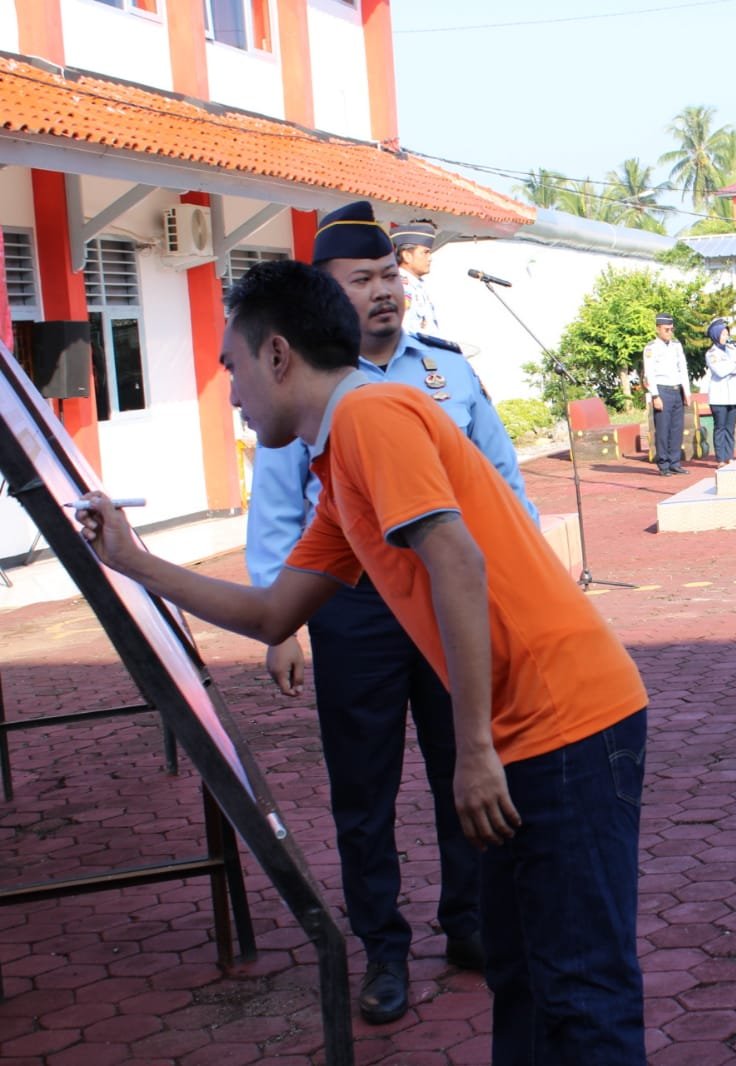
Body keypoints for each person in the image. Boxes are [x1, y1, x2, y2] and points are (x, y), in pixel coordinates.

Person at [78, 258, 649, 1066]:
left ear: (278, 356)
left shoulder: (374, 417)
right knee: (524, 981)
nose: (233, 398)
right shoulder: (338, 460)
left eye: (232, 368)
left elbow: (455, 559)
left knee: (582, 992)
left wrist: (474, 747)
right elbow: (276, 611)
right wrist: (133, 561)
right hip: (530, 730)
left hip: (565, 725)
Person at [246, 201, 538, 1026]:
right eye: (360, 280)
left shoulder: (448, 372)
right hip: (353, 605)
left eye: (388, 278)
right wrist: (284, 623)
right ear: (321, 295)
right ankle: (382, 947)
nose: (383, 293)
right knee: (362, 788)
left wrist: (525, 579)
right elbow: (277, 505)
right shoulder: (297, 384)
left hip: (451, 600)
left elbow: (503, 485)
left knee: (468, 768)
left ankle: (469, 922)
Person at [643, 313, 689, 476]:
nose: (669, 332)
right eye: (666, 329)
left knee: (677, 428)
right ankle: (663, 464)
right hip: (662, 390)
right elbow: (649, 374)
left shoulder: (676, 345)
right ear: (658, 329)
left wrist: (687, 392)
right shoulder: (651, 348)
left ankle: (675, 462)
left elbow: (683, 368)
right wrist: (655, 396)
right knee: (663, 430)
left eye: (671, 329)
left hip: (677, 390)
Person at [705, 317, 736, 466]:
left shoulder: (733, 350)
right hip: (719, 397)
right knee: (720, 427)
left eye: (726, 334)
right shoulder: (711, 353)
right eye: (722, 334)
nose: (725, 337)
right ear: (716, 335)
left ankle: (729, 455)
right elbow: (721, 371)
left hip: (734, 395)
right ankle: (721, 458)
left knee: (730, 428)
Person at [391, 219, 442, 335]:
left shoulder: (416, 285)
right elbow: (404, 334)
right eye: (425, 252)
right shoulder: (400, 287)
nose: (430, 258)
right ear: (407, 256)